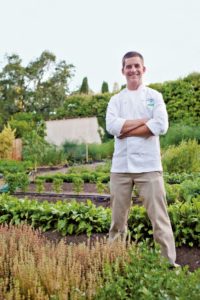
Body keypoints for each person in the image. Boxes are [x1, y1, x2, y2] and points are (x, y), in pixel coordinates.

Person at [106, 51, 178, 266]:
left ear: (143, 69)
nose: (133, 70)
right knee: (118, 221)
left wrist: (125, 127)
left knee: (160, 219)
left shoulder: (154, 96)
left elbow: (160, 126)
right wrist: (144, 122)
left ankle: (168, 264)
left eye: (137, 66)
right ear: (123, 71)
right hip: (120, 168)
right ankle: (115, 262)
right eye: (129, 66)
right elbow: (112, 127)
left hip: (149, 166)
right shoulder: (116, 100)